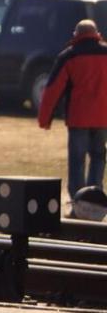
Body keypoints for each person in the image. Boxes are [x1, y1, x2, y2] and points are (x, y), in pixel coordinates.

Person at [38, 19, 107, 200]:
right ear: (96, 33)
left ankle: (78, 199)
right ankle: (95, 196)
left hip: (79, 118)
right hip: (102, 117)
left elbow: (53, 89)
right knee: (98, 157)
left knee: (77, 161)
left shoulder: (69, 56)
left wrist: (44, 119)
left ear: (76, 35)